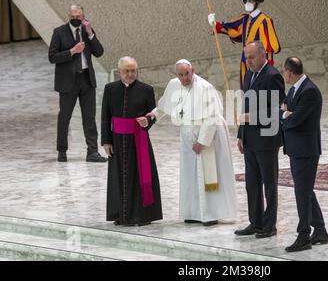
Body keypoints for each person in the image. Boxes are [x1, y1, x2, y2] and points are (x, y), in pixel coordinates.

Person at [148, 59, 237, 226]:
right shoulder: (174, 85)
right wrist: (153, 116)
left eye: (187, 74)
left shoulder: (205, 88)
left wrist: (202, 141)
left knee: (208, 175)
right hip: (187, 134)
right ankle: (194, 212)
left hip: (208, 135)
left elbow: (212, 117)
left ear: (193, 71)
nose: (184, 78)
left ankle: (211, 214)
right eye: (180, 75)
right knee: (190, 174)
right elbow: (163, 105)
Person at [101, 57, 162, 226]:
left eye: (133, 70)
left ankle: (141, 215)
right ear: (119, 71)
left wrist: (148, 121)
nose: (130, 74)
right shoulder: (110, 89)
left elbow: (153, 114)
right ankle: (120, 213)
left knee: (140, 177)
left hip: (138, 140)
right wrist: (106, 141)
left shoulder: (146, 89)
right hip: (117, 140)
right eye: (126, 71)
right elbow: (105, 117)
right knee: (119, 177)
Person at [235, 41, 285, 238]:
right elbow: (245, 108)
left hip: (266, 139)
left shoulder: (272, 76)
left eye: (252, 57)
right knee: (252, 184)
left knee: (269, 184)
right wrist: (241, 133)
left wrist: (253, 118)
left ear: (263, 55)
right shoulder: (248, 74)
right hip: (250, 139)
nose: (248, 61)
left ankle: (269, 225)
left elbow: (278, 109)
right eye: (246, 57)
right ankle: (255, 222)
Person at [280, 57, 328, 252]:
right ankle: (320, 231)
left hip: (306, 150)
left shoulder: (309, 91)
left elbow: (295, 120)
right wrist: (286, 113)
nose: (284, 74)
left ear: (290, 72)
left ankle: (303, 236)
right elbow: (283, 110)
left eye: (284, 71)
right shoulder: (294, 90)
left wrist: (287, 114)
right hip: (296, 149)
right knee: (306, 190)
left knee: (302, 192)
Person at [48, 5, 107, 162]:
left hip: (86, 79)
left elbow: (99, 52)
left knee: (89, 117)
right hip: (68, 81)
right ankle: (62, 151)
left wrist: (90, 33)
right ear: (69, 16)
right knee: (65, 117)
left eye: (78, 17)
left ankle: (92, 152)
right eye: (72, 17)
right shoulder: (59, 32)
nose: (75, 19)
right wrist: (72, 51)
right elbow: (52, 57)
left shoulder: (88, 32)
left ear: (83, 18)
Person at [208, 0, 281, 89]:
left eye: (251, 0)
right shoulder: (246, 19)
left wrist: (267, 74)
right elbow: (235, 32)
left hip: (259, 67)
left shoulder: (265, 21)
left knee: (260, 98)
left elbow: (269, 50)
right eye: (247, 0)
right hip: (245, 65)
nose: (248, 3)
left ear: (257, 1)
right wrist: (215, 24)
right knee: (247, 97)